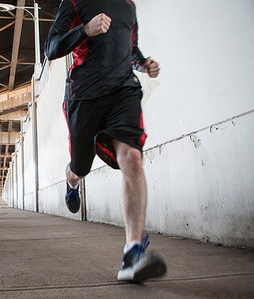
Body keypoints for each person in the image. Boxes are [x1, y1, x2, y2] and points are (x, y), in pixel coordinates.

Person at [44, 0, 166, 282]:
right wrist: (85, 29)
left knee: (132, 159)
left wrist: (144, 64)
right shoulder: (74, 2)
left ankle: (132, 253)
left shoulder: (128, 5)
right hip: (84, 96)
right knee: (80, 166)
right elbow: (52, 48)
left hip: (123, 92)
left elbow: (130, 46)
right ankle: (72, 180)